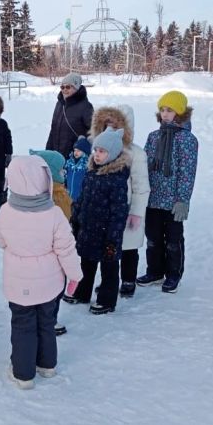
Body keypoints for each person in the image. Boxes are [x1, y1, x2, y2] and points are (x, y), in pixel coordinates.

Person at [0, 155, 83, 389]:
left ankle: (23, 374)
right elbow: (66, 248)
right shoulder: (54, 214)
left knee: (22, 325)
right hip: (49, 284)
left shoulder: (6, 211)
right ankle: (47, 365)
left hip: (18, 284)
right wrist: (75, 274)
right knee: (46, 323)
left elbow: (1, 241)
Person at [137, 91, 198, 294]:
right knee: (153, 237)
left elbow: (187, 172)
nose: (165, 114)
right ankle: (154, 271)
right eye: (162, 109)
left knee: (173, 240)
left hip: (173, 200)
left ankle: (173, 274)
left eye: (170, 110)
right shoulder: (153, 137)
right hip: (153, 198)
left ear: (180, 113)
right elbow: (144, 165)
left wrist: (183, 200)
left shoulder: (187, 140)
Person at [65, 127, 130, 314]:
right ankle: (82, 293)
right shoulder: (91, 173)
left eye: (102, 151)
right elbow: (81, 198)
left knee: (109, 267)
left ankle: (107, 300)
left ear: (113, 154)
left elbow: (119, 211)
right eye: (96, 150)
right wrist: (75, 218)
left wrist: (113, 239)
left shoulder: (116, 179)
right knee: (86, 263)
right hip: (88, 229)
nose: (97, 155)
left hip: (107, 233)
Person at [89, 105, 150, 298]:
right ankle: (109, 281)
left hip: (128, 208)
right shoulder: (100, 150)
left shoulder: (136, 154)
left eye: (115, 126)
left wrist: (136, 212)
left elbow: (141, 186)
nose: (110, 129)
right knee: (109, 248)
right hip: (107, 211)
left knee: (129, 248)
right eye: (106, 125)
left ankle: (128, 280)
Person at [29, 148, 73, 335]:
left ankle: (39, 317)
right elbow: (64, 222)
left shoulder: (32, 191)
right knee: (55, 287)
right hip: (54, 252)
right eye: (61, 169)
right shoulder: (58, 195)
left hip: (35, 252)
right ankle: (49, 320)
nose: (64, 172)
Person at [45, 73, 94, 159]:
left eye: (68, 87)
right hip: (56, 156)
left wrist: (81, 149)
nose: (64, 90)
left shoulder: (86, 106)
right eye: (62, 87)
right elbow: (53, 130)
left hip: (74, 157)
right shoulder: (59, 104)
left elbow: (93, 132)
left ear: (76, 88)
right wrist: (48, 151)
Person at [64, 135, 91, 202]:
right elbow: (65, 176)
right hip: (68, 196)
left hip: (80, 198)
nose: (76, 152)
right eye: (75, 150)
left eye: (79, 151)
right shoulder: (69, 163)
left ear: (85, 152)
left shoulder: (86, 165)